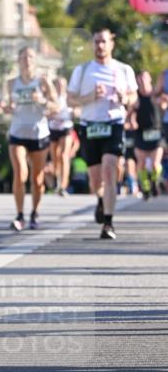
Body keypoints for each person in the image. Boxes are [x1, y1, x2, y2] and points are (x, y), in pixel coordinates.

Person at [67, 28, 137, 240]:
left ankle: (108, 222)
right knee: (96, 181)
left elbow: (134, 96)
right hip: (90, 126)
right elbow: (70, 99)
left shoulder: (124, 69)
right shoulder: (83, 70)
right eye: (96, 42)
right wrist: (90, 97)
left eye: (103, 42)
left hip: (113, 123)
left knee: (109, 170)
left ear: (111, 44)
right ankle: (101, 200)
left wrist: (124, 98)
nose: (100, 46)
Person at [5, 47, 57, 230]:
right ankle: (19, 215)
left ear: (35, 60)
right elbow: (6, 105)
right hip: (18, 132)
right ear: (18, 60)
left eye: (31, 57)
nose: (27, 60)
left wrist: (42, 100)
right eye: (24, 57)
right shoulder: (12, 83)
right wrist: (7, 107)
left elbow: (56, 106)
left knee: (37, 178)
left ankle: (35, 212)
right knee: (20, 173)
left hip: (38, 133)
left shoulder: (43, 81)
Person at [133, 70, 163, 199]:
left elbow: (164, 106)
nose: (143, 81)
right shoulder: (135, 97)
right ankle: (145, 188)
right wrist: (131, 121)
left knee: (156, 164)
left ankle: (154, 182)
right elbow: (130, 113)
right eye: (140, 78)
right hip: (141, 133)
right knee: (142, 163)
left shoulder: (156, 94)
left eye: (145, 78)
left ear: (150, 79)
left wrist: (163, 104)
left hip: (156, 132)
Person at [48, 75, 76, 197]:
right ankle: (58, 181)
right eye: (58, 85)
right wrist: (52, 112)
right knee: (55, 157)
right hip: (53, 128)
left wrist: (75, 112)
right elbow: (46, 112)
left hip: (66, 128)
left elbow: (78, 109)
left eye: (62, 85)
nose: (60, 87)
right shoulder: (51, 98)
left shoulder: (69, 98)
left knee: (64, 155)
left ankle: (64, 185)